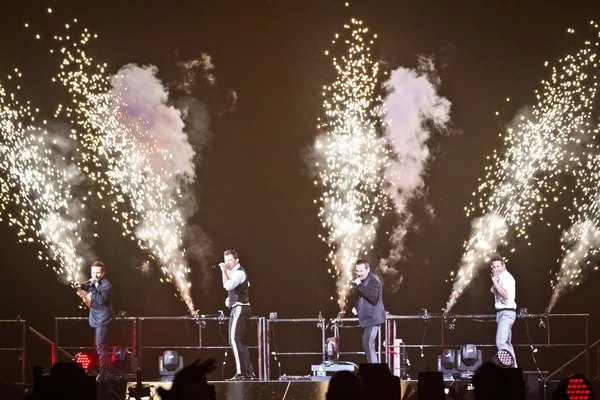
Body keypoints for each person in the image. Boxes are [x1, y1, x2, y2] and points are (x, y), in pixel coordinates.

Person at [75, 260, 116, 382]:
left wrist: (92, 286)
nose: (95, 276)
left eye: (98, 273)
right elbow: (89, 287)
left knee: (101, 347)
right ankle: (104, 372)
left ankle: (103, 374)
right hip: (97, 319)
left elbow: (100, 300)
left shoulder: (106, 285)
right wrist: (81, 286)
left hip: (103, 320)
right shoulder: (96, 283)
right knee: (100, 346)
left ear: (103, 273)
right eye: (93, 273)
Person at [219, 249, 256, 381]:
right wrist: (231, 299)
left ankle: (241, 373)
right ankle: (249, 372)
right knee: (239, 341)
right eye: (225, 260)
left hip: (240, 308)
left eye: (229, 260)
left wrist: (223, 271)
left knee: (234, 340)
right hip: (239, 307)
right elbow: (240, 287)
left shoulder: (239, 273)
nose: (227, 263)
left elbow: (228, 285)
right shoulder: (236, 273)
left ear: (237, 261)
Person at [351, 259, 386, 364]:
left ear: (368, 269)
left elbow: (373, 297)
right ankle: (372, 370)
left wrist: (360, 285)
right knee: (365, 344)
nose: (359, 274)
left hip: (373, 318)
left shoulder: (373, 280)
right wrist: (357, 308)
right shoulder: (361, 281)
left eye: (361, 271)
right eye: (357, 271)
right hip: (366, 318)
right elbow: (360, 296)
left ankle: (374, 372)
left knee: (368, 343)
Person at [490, 255, 517, 367]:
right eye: (494, 267)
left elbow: (505, 296)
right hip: (501, 313)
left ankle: (507, 370)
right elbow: (492, 290)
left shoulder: (507, 278)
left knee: (500, 342)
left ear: (503, 266)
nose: (496, 269)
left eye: (498, 266)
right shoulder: (499, 277)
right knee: (507, 343)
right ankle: (514, 369)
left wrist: (495, 282)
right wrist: (495, 282)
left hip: (507, 312)